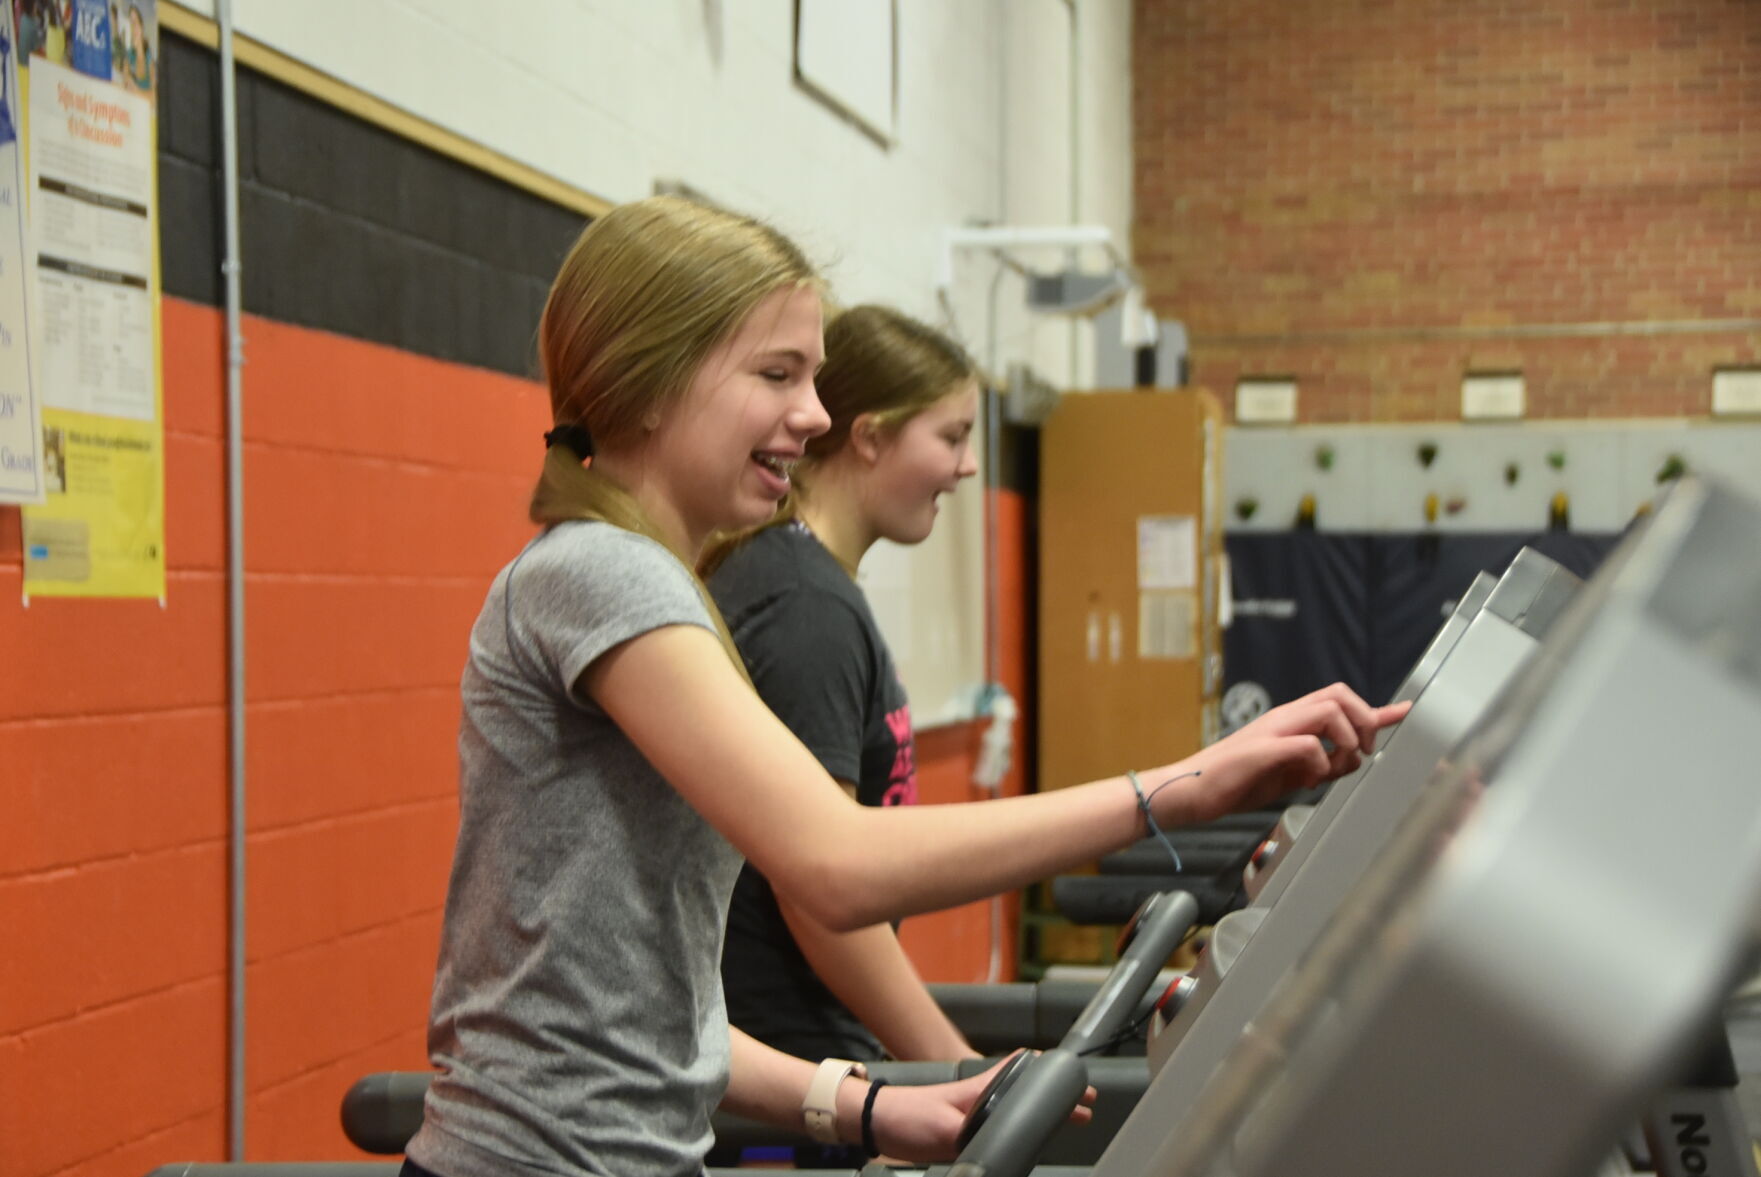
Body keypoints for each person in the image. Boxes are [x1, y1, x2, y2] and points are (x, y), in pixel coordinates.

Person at [402, 196, 1406, 1177]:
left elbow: (649, 1014)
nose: (816, 414)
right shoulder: (601, 572)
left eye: (815, 377)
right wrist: (1174, 789)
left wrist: (866, 1104)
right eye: (777, 374)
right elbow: (835, 865)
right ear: (650, 381)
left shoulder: (665, 580)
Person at [705, 306, 983, 1095]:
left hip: (807, 1043)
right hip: (788, 1066)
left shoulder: (808, 584)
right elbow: (820, 892)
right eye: (952, 436)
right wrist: (958, 1071)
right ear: (868, 436)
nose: (965, 468)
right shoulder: (806, 608)